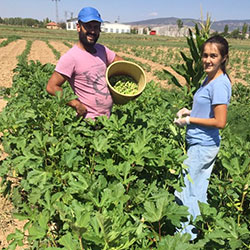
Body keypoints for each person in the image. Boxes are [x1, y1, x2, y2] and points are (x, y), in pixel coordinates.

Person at [173, 35, 232, 240]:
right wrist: (190, 111)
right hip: (202, 144)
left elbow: (220, 122)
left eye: (213, 56)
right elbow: (207, 110)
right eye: (205, 55)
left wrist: (190, 122)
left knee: (185, 192)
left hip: (202, 146)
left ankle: (184, 238)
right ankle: (197, 234)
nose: (208, 60)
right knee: (197, 191)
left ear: (223, 58)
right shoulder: (210, 79)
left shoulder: (219, 85)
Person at [46, 7, 123, 119]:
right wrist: (75, 103)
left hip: (108, 120)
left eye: (96, 27)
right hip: (88, 122)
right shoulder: (71, 57)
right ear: (78, 27)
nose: (92, 31)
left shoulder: (102, 50)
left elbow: (121, 63)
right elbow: (51, 87)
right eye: (88, 26)